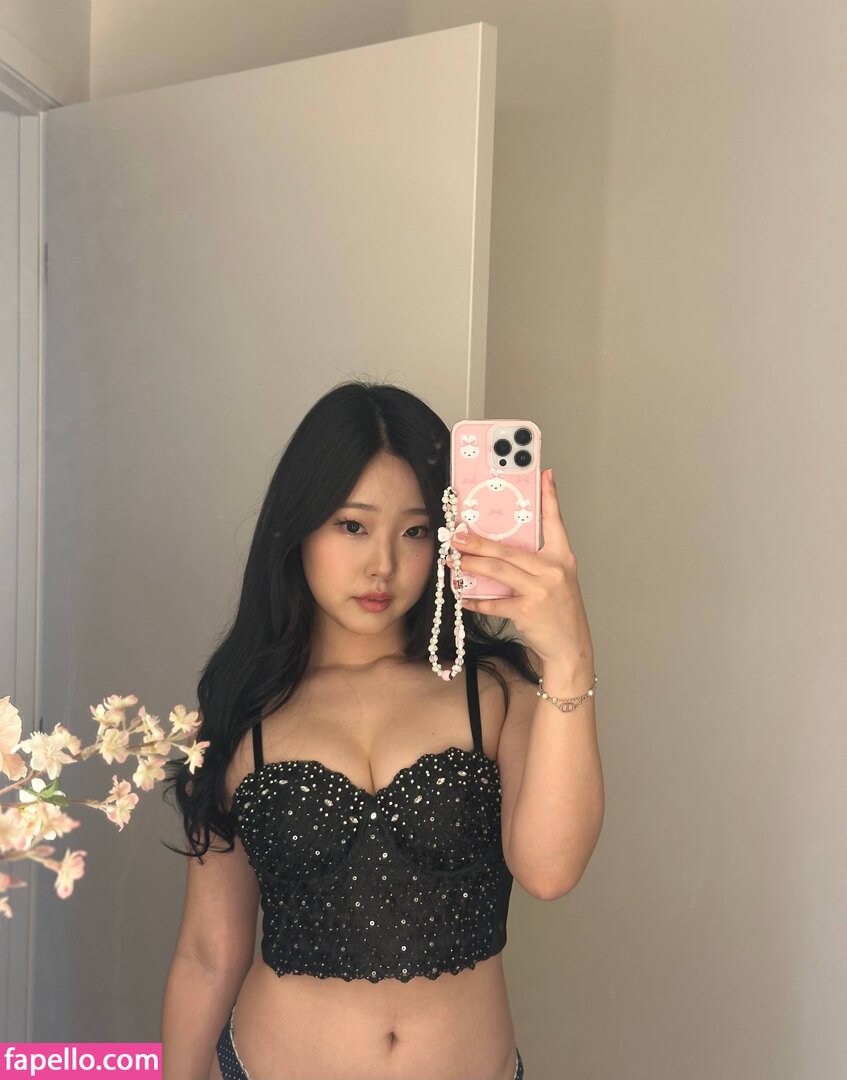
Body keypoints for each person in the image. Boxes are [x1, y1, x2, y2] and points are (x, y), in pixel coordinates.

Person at [160, 378, 597, 1079]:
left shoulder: (497, 693)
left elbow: (549, 871)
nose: (383, 565)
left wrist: (569, 657)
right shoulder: (242, 713)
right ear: (298, 527)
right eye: (352, 525)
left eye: (416, 530)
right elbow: (209, 953)